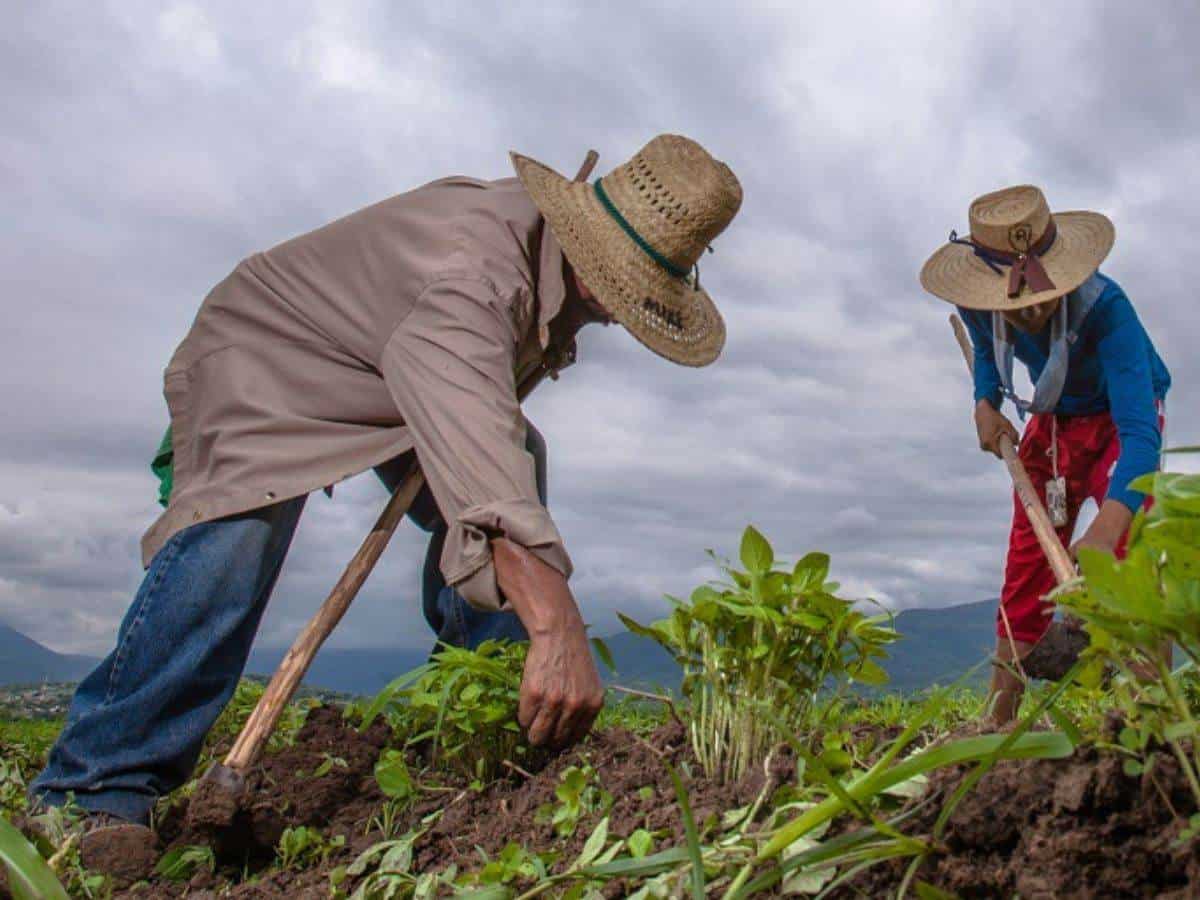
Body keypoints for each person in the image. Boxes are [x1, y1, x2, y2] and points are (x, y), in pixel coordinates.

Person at [29, 135, 744, 863]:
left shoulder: (534, 268)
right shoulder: (478, 275)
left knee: (519, 459)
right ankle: (96, 790)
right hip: (265, 354)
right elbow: (485, 470)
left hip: (383, 365)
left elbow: (488, 440)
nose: (623, 315)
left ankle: (483, 729)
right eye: (623, 293)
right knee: (238, 532)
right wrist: (558, 627)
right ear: (593, 264)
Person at [920, 185, 1170, 725]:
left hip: (1119, 419)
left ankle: (1157, 718)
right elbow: (988, 349)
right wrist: (985, 401)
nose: (1029, 314)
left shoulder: (1108, 310)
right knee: (1027, 557)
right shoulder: (978, 301)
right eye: (1017, 304)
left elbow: (1141, 438)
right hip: (1055, 417)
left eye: (1040, 299)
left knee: (1134, 547)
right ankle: (999, 719)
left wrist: (1106, 529)